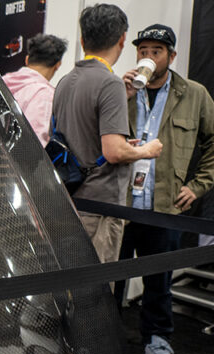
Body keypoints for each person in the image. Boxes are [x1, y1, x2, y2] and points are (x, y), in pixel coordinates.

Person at [114, 24, 214, 354]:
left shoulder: (195, 94)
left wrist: (198, 185)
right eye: (143, 50)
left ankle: (157, 339)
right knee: (111, 277)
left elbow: (213, 141)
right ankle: (107, 342)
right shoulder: (119, 89)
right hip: (119, 202)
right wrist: (123, 94)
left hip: (165, 205)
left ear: (171, 57)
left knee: (160, 279)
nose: (148, 57)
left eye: (157, 51)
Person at [51, 3, 163, 264]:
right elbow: (113, 152)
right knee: (95, 290)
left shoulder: (65, 82)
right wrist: (146, 151)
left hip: (70, 200)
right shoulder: (109, 82)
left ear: (82, 39)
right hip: (100, 208)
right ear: (122, 39)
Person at [1, 33, 68, 146]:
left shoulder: (2, 82)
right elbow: (35, 143)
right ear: (58, 65)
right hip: (18, 161)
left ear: (27, 59)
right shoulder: (45, 95)